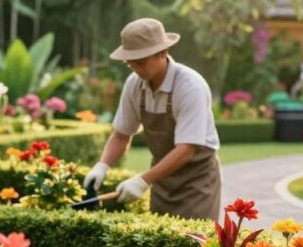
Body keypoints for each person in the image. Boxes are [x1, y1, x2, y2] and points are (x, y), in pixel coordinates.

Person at [83, 18, 221, 220]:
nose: (136, 69)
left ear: (163, 53)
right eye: (130, 64)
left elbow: (186, 150)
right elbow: (122, 135)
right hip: (162, 180)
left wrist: (142, 181)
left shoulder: (190, 87)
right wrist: (102, 165)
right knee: (160, 246)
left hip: (197, 181)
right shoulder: (134, 84)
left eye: (140, 62)